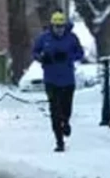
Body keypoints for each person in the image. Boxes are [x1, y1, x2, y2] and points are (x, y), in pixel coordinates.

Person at [32, 11, 85, 153]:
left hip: (68, 79)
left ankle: (66, 122)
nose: (59, 29)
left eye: (61, 26)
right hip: (51, 80)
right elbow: (35, 52)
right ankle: (59, 141)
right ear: (52, 26)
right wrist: (43, 58)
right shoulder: (44, 38)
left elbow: (80, 53)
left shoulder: (72, 38)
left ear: (65, 26)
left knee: (66, 108)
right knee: (55, 111)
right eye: (56, 26)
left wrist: (68, 57)